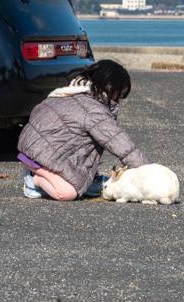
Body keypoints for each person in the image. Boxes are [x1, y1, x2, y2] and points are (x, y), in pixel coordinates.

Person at [17, 60, 148, 200]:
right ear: (110, 87)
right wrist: (147, 171)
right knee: (67, 193)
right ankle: (34, 181)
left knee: (82, 141)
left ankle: (87, 180)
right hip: (41, 157)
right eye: (120, 94)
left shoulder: (71, 92)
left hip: (34, 149)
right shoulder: (94, 110)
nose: (120, 100)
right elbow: (120, 143)